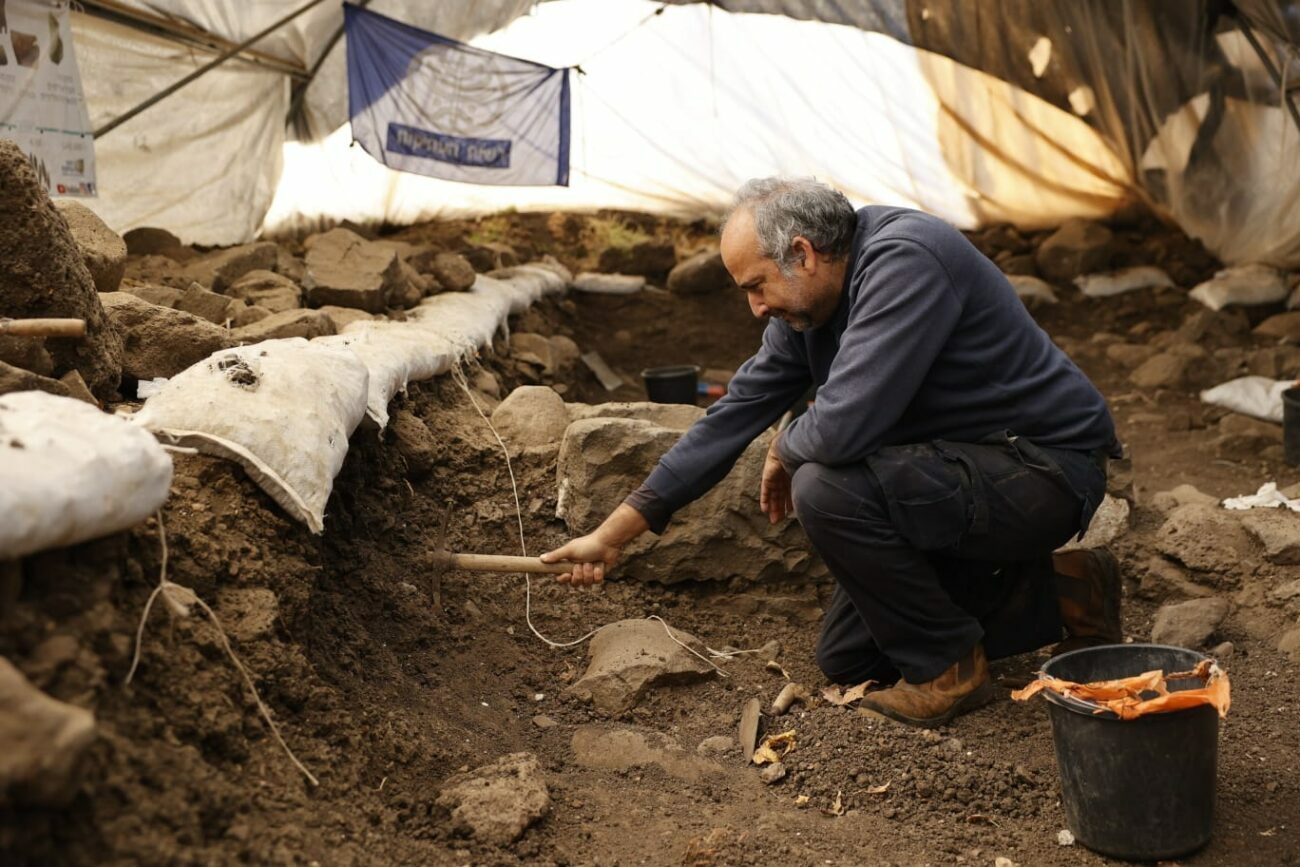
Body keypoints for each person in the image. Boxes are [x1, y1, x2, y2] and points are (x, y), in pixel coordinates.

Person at [541, 177, 1122, 728]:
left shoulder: (907, 260)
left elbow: (843, 426)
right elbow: (731, 416)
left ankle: (951, 669)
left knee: (825, 484)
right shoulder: (807, 312)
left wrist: (785, 445)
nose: (755, 307)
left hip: (1043, 468)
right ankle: (1069, 593)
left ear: (803, 253)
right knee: (850, 658)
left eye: (755, 285)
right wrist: (612, 535)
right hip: (957, 473)